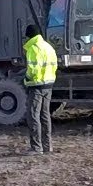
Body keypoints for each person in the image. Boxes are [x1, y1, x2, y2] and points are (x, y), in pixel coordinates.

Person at [22, 23, 58, 154]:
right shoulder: (49, 47)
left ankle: (36, 147)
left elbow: (32, 69)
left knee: (33, 115)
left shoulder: (33, 48)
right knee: (45, 115)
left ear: (29, 36)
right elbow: (54, 66)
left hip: (36, 86)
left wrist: (26, 79)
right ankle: (48, 146)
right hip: (49, 85)